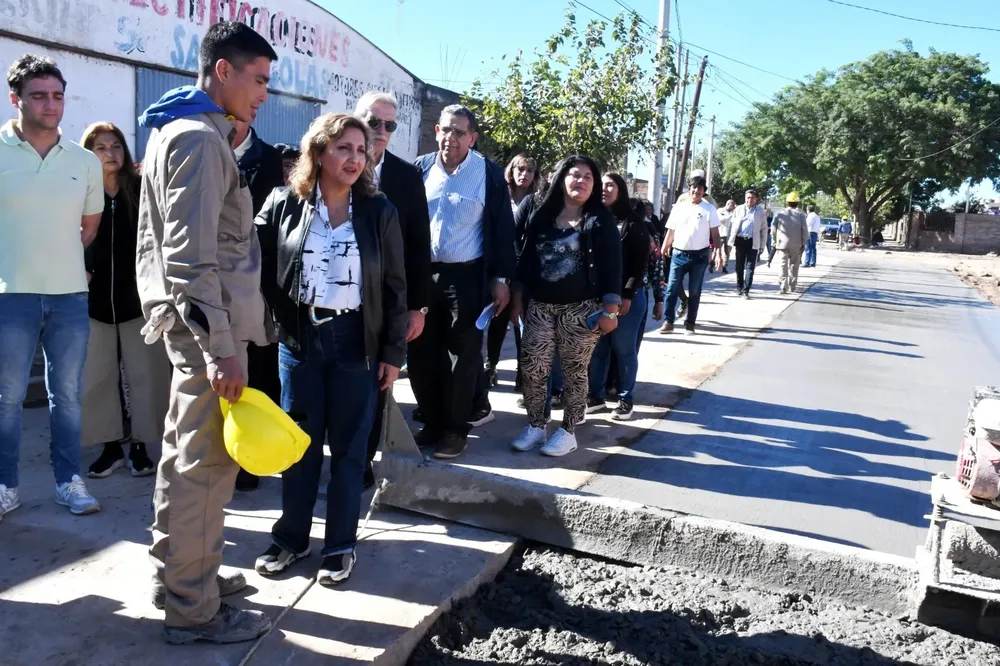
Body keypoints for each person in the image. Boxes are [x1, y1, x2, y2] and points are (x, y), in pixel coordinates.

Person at [136, 22, 277, 644]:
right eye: (259, 80)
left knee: (184, 460)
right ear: (224, 70)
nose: (265, 95)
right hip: (206, 334)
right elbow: (190, 261)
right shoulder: (198, 139)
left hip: (196, 328)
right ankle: (192, 610)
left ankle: (184, 577)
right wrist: (222, 351)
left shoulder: (180, 129)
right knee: (205, 469)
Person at [253, 113, 407, 585]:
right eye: (344, 148)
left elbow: (396, 288)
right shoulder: (283, 203)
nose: (355, 158)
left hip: (355, 344)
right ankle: (291, 539)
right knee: (297, 447)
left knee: (349, 452)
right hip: (300, 342)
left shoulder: (379, 212)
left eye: (361, 151)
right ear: (318, 152)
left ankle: (340, 544)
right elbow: (251, 259)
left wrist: (392, 353)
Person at [0, 54, 104, 521]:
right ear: (15, 98)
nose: (50, 104)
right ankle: (6, 486)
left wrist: (59, 261)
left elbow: (88, 228)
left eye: (57, 96)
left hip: (68, 298)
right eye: (39, 96)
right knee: (6, 398)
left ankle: (68, 482)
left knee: (67, 396)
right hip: (10, 295)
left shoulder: (84, 161)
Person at [409, 105, 516, 460]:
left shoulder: (488, 175)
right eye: (446, 131)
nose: (451, 139)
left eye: (459, 132)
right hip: (424, 275)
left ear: (472, 137)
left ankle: (456, 430)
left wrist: (501, 280)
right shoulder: (421, 169)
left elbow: (503, 233)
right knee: (421, 352)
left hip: (466, 277)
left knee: (462, 356)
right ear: (436, 131)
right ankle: (434, 421)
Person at [510, 156, 621, 456]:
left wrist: (611, 309)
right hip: (540, 306)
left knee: (575, 372)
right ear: (561, 178)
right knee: (533, 368)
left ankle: (568, 430)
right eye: (575, 175)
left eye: (588, 177)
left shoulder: (600, 220)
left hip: (581, 310)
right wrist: (517, 295)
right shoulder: (540, 212)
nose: (581, 181)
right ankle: (535, 425)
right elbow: (521, 256)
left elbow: (613, 266)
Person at [80, 122, 168, 479]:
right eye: (101, 147)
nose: (110, 153)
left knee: (146, 373)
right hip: (92, 300)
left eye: (115, 145)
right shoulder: (79, 192)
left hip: (138, 301)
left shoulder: (139, 189)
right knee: (96, 376)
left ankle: (141, 446)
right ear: (88, 153)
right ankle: (110, 446)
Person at [354, 91, 431, 490]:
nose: (381, 131)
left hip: (387, 301)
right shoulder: (331, 165)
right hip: (338, 297)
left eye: (389, 125)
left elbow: (419, 244)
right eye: (373, 122)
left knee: (376, 382)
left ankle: (362, 458)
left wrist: (417, 307)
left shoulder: (406, 177)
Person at [232, 118, 285, 492]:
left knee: (262, 375)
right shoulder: (204, 147)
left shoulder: (272, 159)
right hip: (214, 284)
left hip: (264, 285)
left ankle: (252, 458)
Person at [587, 173, 649, 420]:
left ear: (620, 190)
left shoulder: (633, 224)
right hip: (597, 298)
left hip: (627, 299)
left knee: (624, 349)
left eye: (610, 184)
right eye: (601, 184)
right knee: (598, 349)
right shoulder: (593, 220)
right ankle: (595, 396)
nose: (604, 188)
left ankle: (626, 399)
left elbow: (639, 265)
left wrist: (627, 295)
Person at [484, 153, 539, 389]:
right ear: (512, 170)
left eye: (529, 170)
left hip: (525, 270)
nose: (524, 174)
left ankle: (522, 371)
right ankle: (491, 366)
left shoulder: (537, 201)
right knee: (497, 319)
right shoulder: (500, 195)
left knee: (520, 320)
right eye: (520, 169)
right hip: (499, 268)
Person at [659, 175, 723, 335]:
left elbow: (715, 234)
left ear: (704, 192)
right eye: (694, 188)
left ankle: (690, 324)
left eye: (700, 189)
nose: (696, 191)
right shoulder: (679, 207)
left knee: (695, 291)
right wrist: (664, 246)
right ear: (689, 190)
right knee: (671, 288)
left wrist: (718, 253)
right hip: (678, 254)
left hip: (699, 257)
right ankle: (668, 321)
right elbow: (671, 230)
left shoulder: (709, 209)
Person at [728, 189, 768, 299]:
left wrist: (762, 245)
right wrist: (729, 242)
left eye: (752, 198)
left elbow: (764, 229)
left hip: (753, 241)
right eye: (748, 197)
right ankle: (739, 287)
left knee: (750, 267)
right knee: (739, 266)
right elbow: (732, 225)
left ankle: (746, 290)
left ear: (756, 199)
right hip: (740, 241)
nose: (749, 200)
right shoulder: (739, 209)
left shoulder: (760, 212)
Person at [771, 192, 809, 294]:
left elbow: (773, 228)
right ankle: (792, 286)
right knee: (794, 265)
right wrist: (803, 243)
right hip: (796, 245)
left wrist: (774, 240)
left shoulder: (779, 213)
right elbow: (805, 230)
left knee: (782, 265)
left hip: (782, 244)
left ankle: (783, 286)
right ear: (797, 203)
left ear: (787, 202)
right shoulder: (801, 215)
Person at [714, 199, 735, 273]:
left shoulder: (734, 213)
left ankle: (724, 266)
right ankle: (712, 264)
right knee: (717, 250)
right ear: (727, 204)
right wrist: (730, 216)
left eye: (732, 206)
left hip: (729, 235)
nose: (731, 207)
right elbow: (721, 219)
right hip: (720, 233)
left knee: (727, 251)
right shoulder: (720, 211)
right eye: (730, 205)